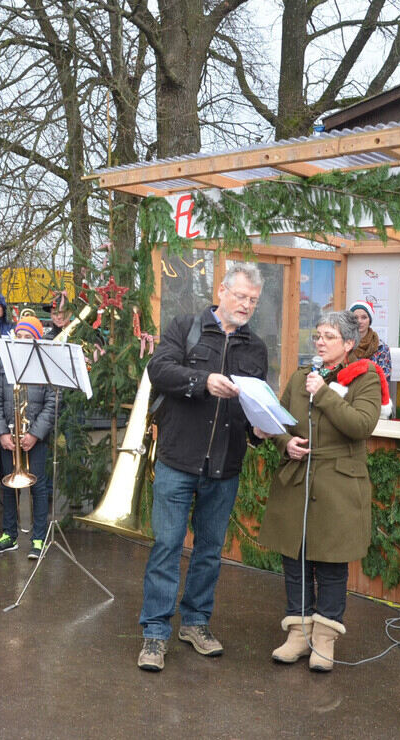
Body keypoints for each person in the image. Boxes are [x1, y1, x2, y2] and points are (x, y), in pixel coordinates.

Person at [137, 263, 268, 672]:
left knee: (209, 552)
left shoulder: (256, 348)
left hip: (224, 467)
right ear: (223, 291)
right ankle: (155, 634)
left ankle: (195, 622)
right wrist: (203, 381)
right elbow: (158, 370)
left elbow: (253, 407)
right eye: (241, 296)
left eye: (253, 300)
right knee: (167, 547)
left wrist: (262, 430)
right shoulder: (185, 327)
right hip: (178, 460)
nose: (246, 305)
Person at [257, 311, 383, 671]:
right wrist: (285, 443)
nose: (320, 342)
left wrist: (325, 393)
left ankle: (324, 639)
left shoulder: (366, 377)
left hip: (339, 483)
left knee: (329, 562)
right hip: (297, 479)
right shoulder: (300, 378)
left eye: (329, 337)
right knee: (295, 561)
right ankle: (298, 633)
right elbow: (277, 418)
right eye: (318, 336)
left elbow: (361, 425)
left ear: (348, 344)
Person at [0, 316, 56, 558]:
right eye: (21, 336)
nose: (24, 340)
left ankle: (38, 538)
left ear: (37, 339)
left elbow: (52, 403)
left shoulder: (45, 364)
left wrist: (35, 434)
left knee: (38, 487)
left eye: (30, 337)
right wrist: (2, 432)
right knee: (8, 485)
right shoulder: (4, 364)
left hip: (34, 438)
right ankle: (9, 535)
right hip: (9, 436)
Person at [348, 300, 391, 379]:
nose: (359, 321)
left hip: (372, 389)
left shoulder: (381, 347)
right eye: (355, 318)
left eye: (364, 317)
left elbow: (384, 378)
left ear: (370, 320)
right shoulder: (343, 345)